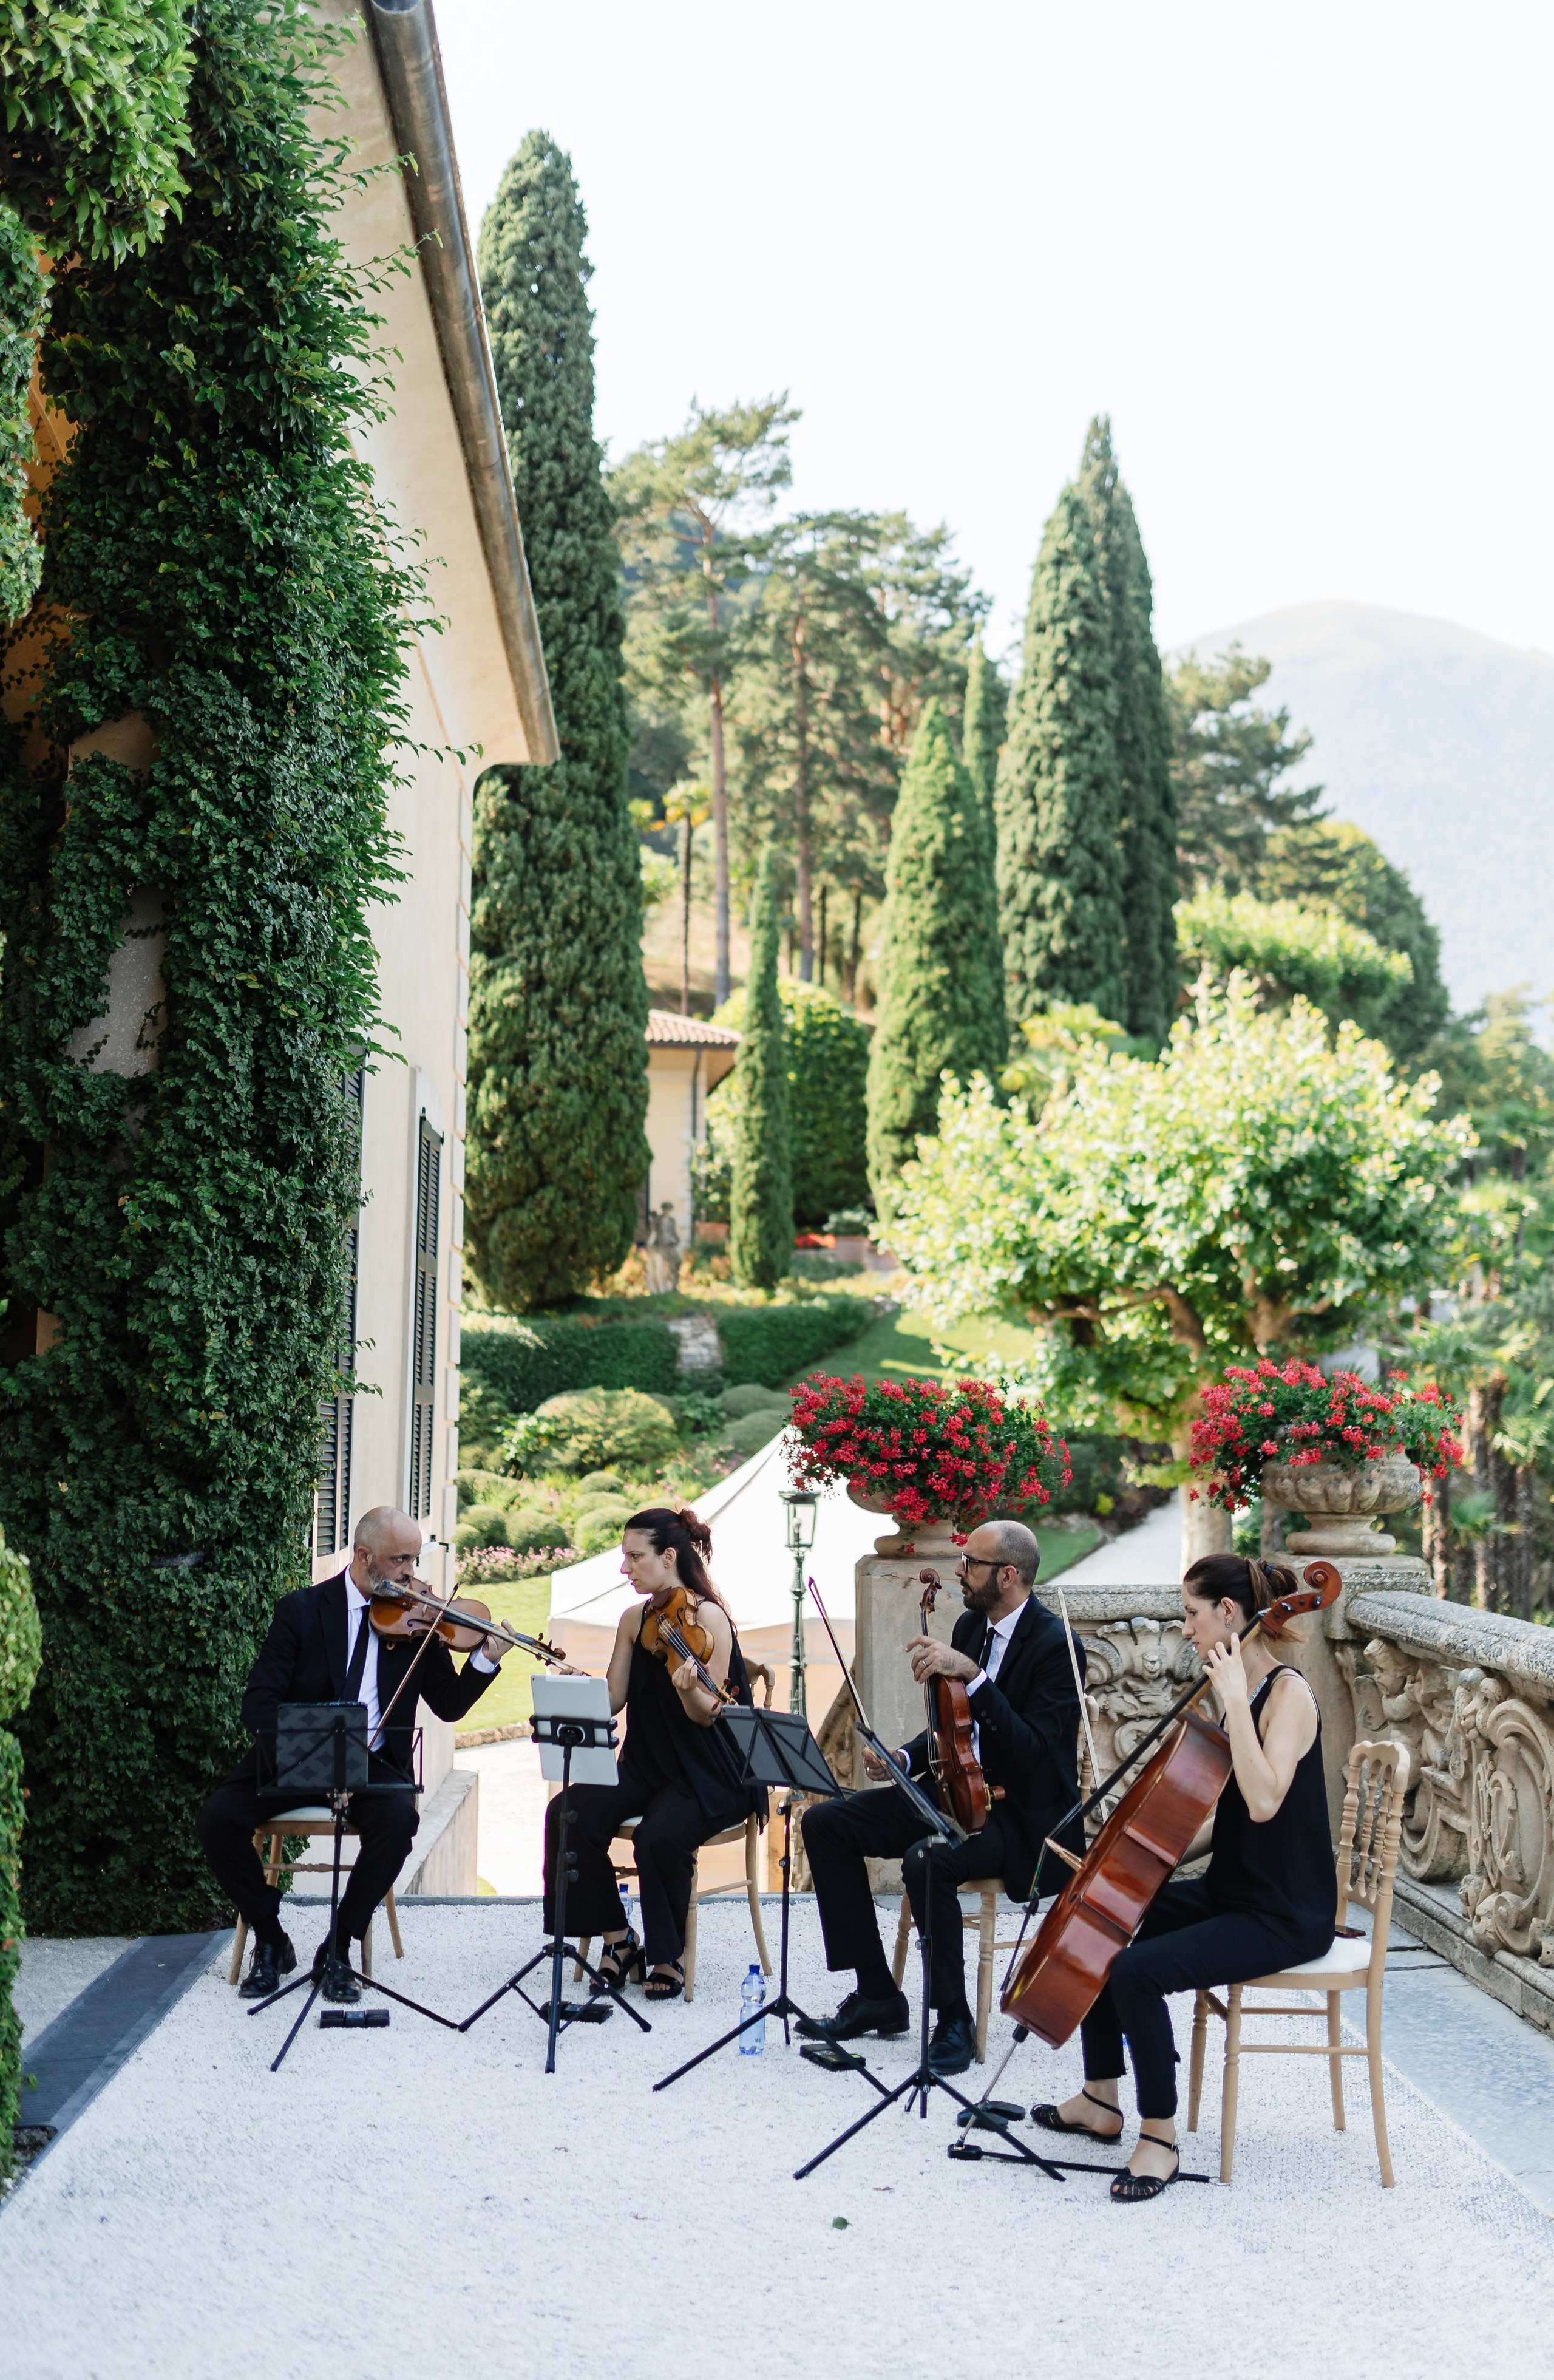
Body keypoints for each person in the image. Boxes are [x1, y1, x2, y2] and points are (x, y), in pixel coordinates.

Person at [1034, 1553, 1337, 2203]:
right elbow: (1226, 1817)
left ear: (1228, 1613)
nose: (1187, 1630)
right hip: (1234, 1887)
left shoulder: (1287, 1694)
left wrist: (1230, 1696)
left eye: (1192, 1614)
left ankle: (1160, 2138)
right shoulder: (1243, 1696)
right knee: (1106, 1914)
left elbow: (1262, 1800)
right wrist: (1139, 1859)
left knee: (1136, 1969)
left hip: (1281, 1912)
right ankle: (1099, 2096)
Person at [797, 1518, 1085, 2079]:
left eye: (971, 1563)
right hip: (952, 1790)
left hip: (1018, 1814)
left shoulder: (1056, 1646)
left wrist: (976, 1678)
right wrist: (903, 1760)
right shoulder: (971, 1626)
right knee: (827, 1824)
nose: (960, 1571)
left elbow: (1032, 1754)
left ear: (1008, 1575)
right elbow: (952, 1732)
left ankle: (952, 2018)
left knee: (927, 1862)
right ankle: (877, 1992)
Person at [198, 1506, 507, 2004]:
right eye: (400, 1559)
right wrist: (312, 1746)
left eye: (416, 1558)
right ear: (365, 1558)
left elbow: (448, 1706)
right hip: (299, 1756)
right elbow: (259, 1703)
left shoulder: (418, 1618)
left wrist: (484, 1660)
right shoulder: (301, 1611)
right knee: (218, 1819)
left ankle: (337, 1947)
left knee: (398, 1823)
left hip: (375, 1765)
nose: (413, 1572)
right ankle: (272, 1938)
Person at [543, 1505, 761, 2001]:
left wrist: (687, 1688)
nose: (626, 1568)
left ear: (668, 1557)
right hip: (647, 1764)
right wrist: (572, 1686)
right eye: (626, 1557)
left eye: (635, 1557)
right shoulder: (632, 1620)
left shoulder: (709, 1619)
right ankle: (619, 1939)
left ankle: (668, 1956)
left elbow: (708, 1714)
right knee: (568, 1814)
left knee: (659, 1836)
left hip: (708, 1770)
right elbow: (613, 1699)